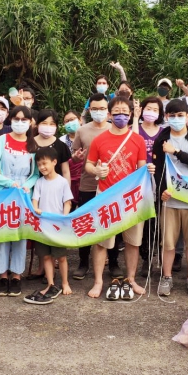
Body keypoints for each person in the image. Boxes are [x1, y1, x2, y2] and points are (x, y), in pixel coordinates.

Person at [85, 96, 148, 300]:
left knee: (133, 242)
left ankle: (131, 279)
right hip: (106, 195)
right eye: (117, 112)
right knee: (102, 241)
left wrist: (149, 170)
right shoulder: (99, 139)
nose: (121, 115)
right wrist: (96, 170)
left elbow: (141, 168)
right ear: (110, 115)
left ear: (131, 115)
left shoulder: (137, 139)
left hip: (131, 197)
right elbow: (88, 164)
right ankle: (98, 282)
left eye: (125, 112)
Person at [151, 100, 188, 298]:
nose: (176, 119)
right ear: (166, 117)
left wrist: (176, 152)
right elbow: (158, 169)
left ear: (187, 116)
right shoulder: (161, 139)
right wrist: (162, 191)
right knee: (168, 242)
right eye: (172, 115)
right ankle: (166, 277)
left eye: (180, 115)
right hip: (170, 200)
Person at [0, 106, 39, 297]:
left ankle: (17, 275)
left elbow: (36, 174)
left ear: (31, 122)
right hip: (2, 194)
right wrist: (9, 183)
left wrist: (27, 186)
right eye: (16, 119)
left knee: (20, 236)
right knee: (2, 235)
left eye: (24, 120)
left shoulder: (34, 145)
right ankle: (2, 276)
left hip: (23, 196)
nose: (20, 122)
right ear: (11, 120)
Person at [71, 92, 115, 280]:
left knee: (113, 225)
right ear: (89, 110)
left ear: (109, 111)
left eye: (102, 109)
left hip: (112, 187)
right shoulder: (82, 130)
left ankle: (113, 263)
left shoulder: (116, 129)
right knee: (86, 223)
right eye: (95, 109)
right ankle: (83, 262)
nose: (99, 112)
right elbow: (74, 155)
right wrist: (76, 157)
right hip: (87, 185)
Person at [23, 146, 75, 304]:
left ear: (54, 162)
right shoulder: (39, 182)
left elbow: (67, 202)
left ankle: (65, 283)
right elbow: (35, 200)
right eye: (39, 165)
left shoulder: (62, 182)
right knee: (45, 255)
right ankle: (51, 284)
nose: (42, 167)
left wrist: (65, 217)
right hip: (42, 225)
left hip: (58, 225)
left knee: (61, 257)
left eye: (45, 163)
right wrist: (35, 208)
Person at [136, 97, 164, 274]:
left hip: (159, 180)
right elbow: (132, 140)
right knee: (143, 220)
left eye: (155, 109)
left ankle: (158, 257)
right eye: (148, 108)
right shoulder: (136, 129)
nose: (151, 112)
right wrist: (134, 118)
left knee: (157, 221)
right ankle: (145, 259)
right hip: (139, 180)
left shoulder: (163, 131)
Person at [59, 110, 83, 205]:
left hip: (86, 180)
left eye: (72, 119)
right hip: (69, 180)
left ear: (80, 120)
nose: (70, 123)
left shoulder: (88, 136)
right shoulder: (61, 141)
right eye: (67, 121)